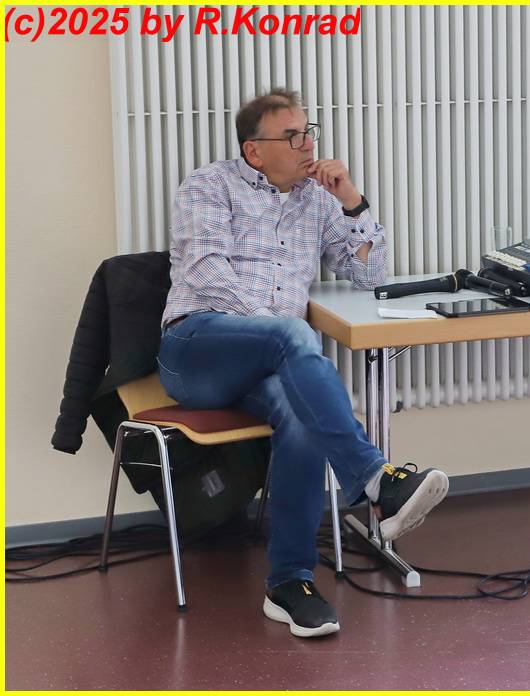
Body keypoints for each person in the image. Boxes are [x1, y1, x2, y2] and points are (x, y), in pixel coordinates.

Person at [156, 88, 449, 638]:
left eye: (308, 132)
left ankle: (290, 583)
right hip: (196, 347)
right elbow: (205, 272)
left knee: (300, 417)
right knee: (292, 333)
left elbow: (369, 274)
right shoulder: (209, 186)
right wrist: (275, 331)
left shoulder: (316, 199)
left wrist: (352, 200)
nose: (307, 144)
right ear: (254, 150)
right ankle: (375, 478)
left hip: (269, 361)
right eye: (291, 136)